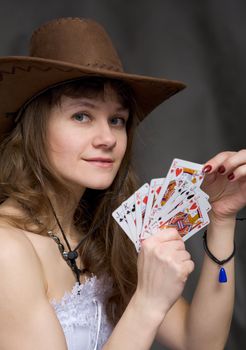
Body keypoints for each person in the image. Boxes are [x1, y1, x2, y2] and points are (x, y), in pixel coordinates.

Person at [0, 17, 245, 350]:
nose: (108, 138)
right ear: (34, 128)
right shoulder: (7, 249)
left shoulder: (105, 233)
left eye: (117, 120)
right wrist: (146, 302)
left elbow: (201, 343)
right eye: (81, 116)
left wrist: (222, 219)